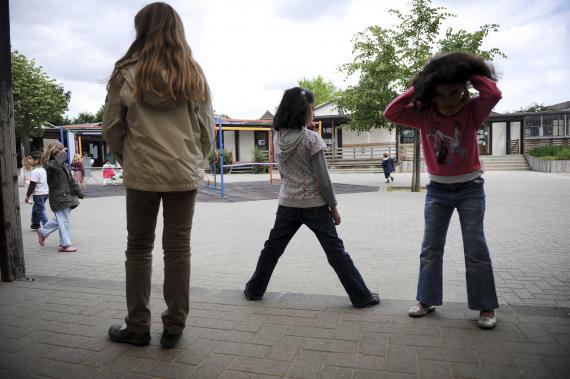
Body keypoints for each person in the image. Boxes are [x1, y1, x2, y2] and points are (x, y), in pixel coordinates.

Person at [102, 2, 213, 349]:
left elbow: (111, 127)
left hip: (141, 174)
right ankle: (175, 325)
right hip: (182, 172)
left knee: (138, 248)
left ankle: (137, 326)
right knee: (178, 250)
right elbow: (206, 129)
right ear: (177, 30)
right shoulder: (192, 72)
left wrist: (128, 157)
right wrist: (195, 159)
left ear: (142, 30)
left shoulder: (126, 71)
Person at [383, 52, 501, 329]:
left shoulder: (474, 110)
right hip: (437, 190)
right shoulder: (424, 114)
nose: (448, 100)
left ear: (464, 91)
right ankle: (427, 299)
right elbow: (391, 112)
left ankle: (486, 307)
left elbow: (493, 93)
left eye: (455, 93)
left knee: (476, 249)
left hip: (471, 188)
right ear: (432, 95)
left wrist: (469, 71)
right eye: (441, 94)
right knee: (431, 248)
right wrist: (423, 82)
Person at [244, 87, 380, 309]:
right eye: (312, 108)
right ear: (303, 110)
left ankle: (253, 290)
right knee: (336, 252)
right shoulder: (311, 139)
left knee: (272, 249)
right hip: (314, 205)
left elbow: (284, 171)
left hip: (287, 202)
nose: (314, 112)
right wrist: (333, 208)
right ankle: (361, 296)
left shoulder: (278, 137)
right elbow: (323, 180)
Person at [36, 142, 84, 253]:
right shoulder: (50, 164)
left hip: (66, 197)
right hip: (58, 197)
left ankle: (43, 232)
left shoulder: (62, 164)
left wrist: (80, 193)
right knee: (64, 221)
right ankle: (64, 245)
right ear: (56, 151)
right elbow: (55, 166)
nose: (64, 153)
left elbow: (71, 180)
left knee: (61, 220)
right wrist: (62, 155)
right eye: (62, 151)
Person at [24, 151, 49, 230]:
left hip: (38, 194)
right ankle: (35, 224)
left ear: (37, 160)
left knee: (40, 210)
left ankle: (47, 225)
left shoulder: (35, 171)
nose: (28, 160)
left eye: (30, 159)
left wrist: (28, 196)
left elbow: (32, 185)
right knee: (36, 208)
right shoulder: (43, 170)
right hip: (45, 193)